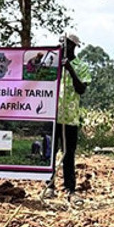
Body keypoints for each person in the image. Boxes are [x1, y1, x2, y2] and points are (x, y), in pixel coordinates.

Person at [42, 33, 92, 207]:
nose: (62, 47)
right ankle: (49, 185)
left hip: (70, 119)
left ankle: (71, 190)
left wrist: (70, 69)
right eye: (61, 43)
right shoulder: (53, 65)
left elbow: (81, 90)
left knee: (68, 154)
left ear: (73, 46)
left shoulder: (81, 66)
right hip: (52, 116)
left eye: (66, 44)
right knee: (49, 152)